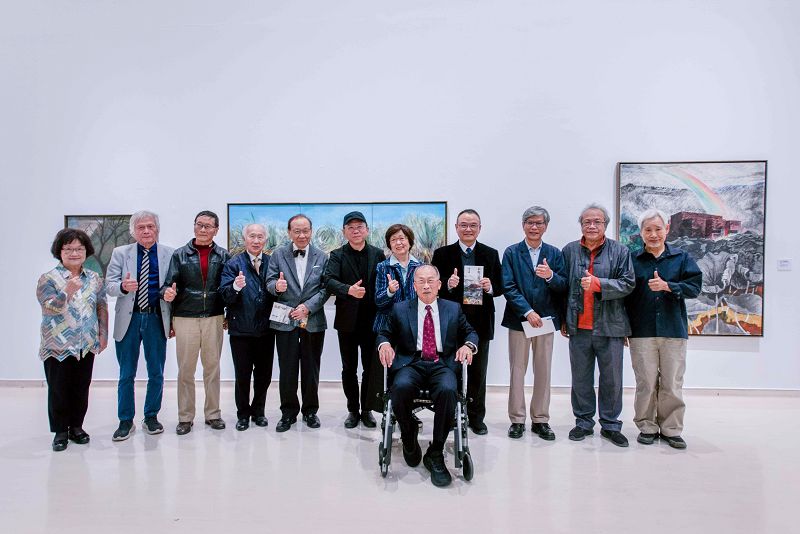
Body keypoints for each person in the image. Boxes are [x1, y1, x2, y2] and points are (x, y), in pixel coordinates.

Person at [377, 265, 478, 487]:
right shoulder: (401, 309)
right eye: (420, 281)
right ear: (414, 286)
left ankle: (436, 452)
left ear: (439, 285)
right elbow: (384, 333)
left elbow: (470, 332)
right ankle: (408, 435)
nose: (426, 286)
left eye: (430, 281)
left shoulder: (453, 308)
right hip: (411, 363)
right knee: (400, 387)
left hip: (442, 364)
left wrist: (468, 346)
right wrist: (384, 345)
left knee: (448, 390)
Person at [625, 209, 702, 449]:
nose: (653, 234)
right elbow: (625, 297)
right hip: (641, 331)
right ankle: (647, 426)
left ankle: (671, 429)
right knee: (646, 383)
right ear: (641, 233)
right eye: (648, 230)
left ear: (666, 229)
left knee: (672, 383)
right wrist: (625, 329)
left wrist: (669, 286)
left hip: (673, 330)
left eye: (658, 229)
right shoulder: (632, 260)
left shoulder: (681, 258)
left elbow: (695, 288)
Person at [562, 204, 635, 447]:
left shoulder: (620, 251)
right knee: (580, 378)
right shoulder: (570, 250)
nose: (592, 226)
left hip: (611, 326)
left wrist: (599, 284)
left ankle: (611, 425)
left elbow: (628, 284)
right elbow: (563, 288)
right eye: (587, 222)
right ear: (581, 224)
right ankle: (583, 422)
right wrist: (564, 319)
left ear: (606, 225)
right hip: (578, 327)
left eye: (597, 222)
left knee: (611, 379)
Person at [431, 209, 503, 435]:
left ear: (480, 228)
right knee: (451, 371)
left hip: (481, 324)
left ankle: (476, 417)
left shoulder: (491, 254)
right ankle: (451, 415)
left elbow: (501, 286)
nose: (468, 229)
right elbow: (432, 285)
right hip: (450, 323)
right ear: (456, 227)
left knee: (478, 373)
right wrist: (447, 283)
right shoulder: (442, 254)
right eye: (463, 225)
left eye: (473, 225)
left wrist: (489, 287)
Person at [37, 228, 108, 451]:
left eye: (79, 248)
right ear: (59, 252)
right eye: (68, 249)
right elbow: (49, 308)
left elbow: (101, 306)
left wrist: (103, 334)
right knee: (59, 389)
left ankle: (77, 427)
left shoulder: (94, 278)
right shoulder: (48, 278)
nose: (74, 253)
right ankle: (60, 431)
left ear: (86, 251)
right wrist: (66, 291)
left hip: (86, 343)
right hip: (57, 345)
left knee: (81, 387)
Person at [105, 210, 174, 440]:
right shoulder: (120, 253)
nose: (146, 231)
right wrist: (122, 287)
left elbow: (173, 285)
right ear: (133, 231)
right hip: (129, 319)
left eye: (150, 226)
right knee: (126, 373)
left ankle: (151, 416)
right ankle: (125, 420)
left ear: (157, 229)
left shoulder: (169, 254)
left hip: (156, 318)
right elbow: (109, 285)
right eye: (141, 227)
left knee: (156, 372)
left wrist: (169, 294)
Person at [501, 206, 567, 440]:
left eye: (539, 223)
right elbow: (508, 286)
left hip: (545, 322)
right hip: (520, 320)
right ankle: (517, 419)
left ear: (545, 227)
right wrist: (527, 311)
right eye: (530, 222)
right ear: (523, 225)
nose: (534, 227)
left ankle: (540, 419)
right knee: (517, 371)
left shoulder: (554, 253)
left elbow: (563, 285)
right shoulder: (511, 252)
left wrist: (550, 276)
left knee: (543, 370)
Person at [162, 210, 230, 435]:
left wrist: (228, 314)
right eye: (199, 224)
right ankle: (185, 417)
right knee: (186, 370)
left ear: (216, 230)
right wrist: (166, 293)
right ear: (194, 226)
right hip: (185, 317)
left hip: (213, 317)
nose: (202, 229)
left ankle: (213, 414)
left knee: (212, 368)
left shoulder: (224, 256)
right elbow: (167, 284)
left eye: (207, 226)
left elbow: (229, 289)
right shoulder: (179, 255)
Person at [266, 214, 329, 432]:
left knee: (311, 369)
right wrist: (277, 287)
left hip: (312, 320)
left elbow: (326, 288)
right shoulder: (278, 254)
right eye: (297, 231)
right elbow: (269, 281)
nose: (302, 235)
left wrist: (308, 307)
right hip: (285, 320)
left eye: (305, 231)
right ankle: (288, 413)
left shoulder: (322, 256)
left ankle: (310, 411)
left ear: (311, 231)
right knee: (287, 369)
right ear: (289, 232)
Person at [324, 211, 386, 429]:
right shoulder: (337, 255)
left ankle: (367, 409)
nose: (356, 231)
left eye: (359, 227)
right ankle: (352, 409)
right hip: (347, 322)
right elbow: (328, 281)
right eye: (351, 228)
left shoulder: (378, 254)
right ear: (344, 232)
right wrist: (348, 290)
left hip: (372, 322)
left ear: (367, 230)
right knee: (348, 368)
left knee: (370, 368)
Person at [220, 223, 276, 431]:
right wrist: (235, 287)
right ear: (245, 239)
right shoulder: (233, 264)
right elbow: (224, 296)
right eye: (252, 236)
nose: (256, 240)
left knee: (264, 375)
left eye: (260, 237)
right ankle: (243, 414)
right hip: (241, 330)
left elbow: (276, 293)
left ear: (265, 240)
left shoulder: (271, 262)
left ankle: (258, 412)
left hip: (266, 330)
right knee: (242, 376)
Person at [368, 223, 422, 414]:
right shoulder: (383, 267)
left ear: (410, 241)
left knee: (410, 371)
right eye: (394, 240)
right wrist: (390, 291)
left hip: (414, 328)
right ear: (389, 244)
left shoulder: (421, 267)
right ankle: (389, 411)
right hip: (388, 328)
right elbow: (378, 301)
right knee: (388, 372)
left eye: (402, 238)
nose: (398, 243)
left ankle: (409, 412)